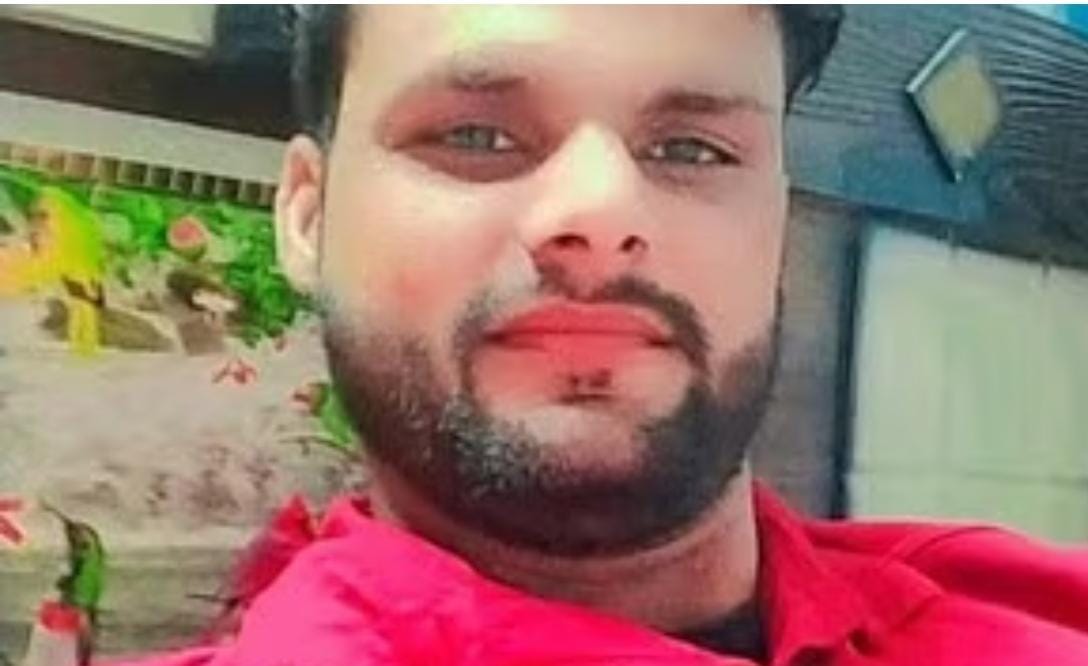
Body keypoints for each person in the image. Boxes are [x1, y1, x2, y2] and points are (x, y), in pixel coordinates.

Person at [109, 6, 1088, 665]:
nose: (601, 209)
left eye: (691, 148)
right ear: (307, 215)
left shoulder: (1029, 612)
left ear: (776, 223)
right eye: (475, 135)